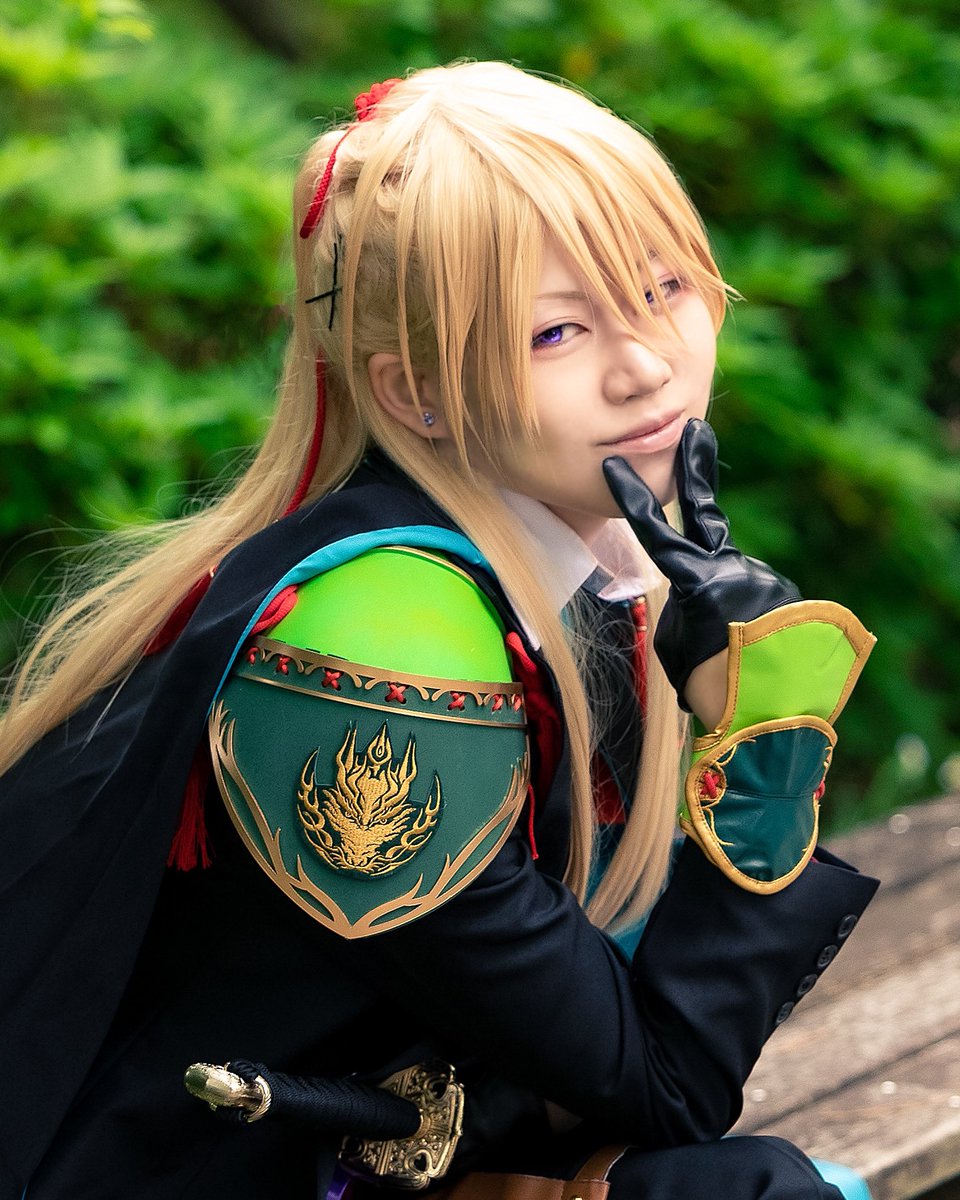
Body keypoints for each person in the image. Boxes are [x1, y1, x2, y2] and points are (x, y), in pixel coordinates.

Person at [0, 61, 877, 1200]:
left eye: (664, 286)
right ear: (414, 392)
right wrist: (768, 733)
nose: (646, 365)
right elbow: (665, 1080)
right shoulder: (374, 658)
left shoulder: (582, 554)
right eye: (556, 333)